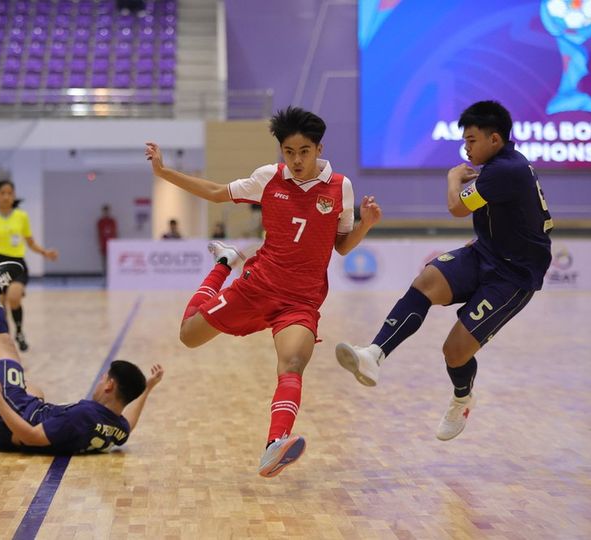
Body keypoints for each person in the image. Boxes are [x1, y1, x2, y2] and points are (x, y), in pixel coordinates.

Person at [145, 106, 382, 477]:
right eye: (289, 152)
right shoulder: (268, 179)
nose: (297, 160)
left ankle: (274, 445)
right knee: (188, 335)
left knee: (292, 364)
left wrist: (365, 225)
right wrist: (163, 172)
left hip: (302, 300)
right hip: (258, 287)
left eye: (304, 151)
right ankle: (223, 263)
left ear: (319, 149)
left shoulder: (340, 187)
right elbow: (214, 192)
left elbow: (342, 246)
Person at [335, 100, 553, 441]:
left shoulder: (505, 170)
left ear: (495, 139)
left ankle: (462, 399)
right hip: (485, 253)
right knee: (427, 280)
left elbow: (455, 207)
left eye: (471, 140)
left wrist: (452, 177)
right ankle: (373, 355)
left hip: (514, 276)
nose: (466, 148)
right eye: (465, 141)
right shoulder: (500, 167)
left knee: (454, 351)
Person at [0, 260, 164, 454]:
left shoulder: (82, 416)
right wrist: (148, 388)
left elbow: (31, 437)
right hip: (27, 412)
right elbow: (130, 423)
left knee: (2, 343)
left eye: (103, 378)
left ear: (109, 386)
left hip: (1, 420)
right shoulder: (116, 427)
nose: (99, 381)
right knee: (33, 389)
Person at [0, 180, 58, 352]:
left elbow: (31, 243)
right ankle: (4, 337)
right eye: (2, 193)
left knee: (14, 297)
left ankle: (19, 332)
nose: (6, 196)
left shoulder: (21, 216)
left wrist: (45, 253)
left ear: (13, 196)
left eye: (9, 193)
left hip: (16, 263)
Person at [97, 205, 118, 275]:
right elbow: (99, 233)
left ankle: (113, 274)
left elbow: (115, 232)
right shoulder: (100, 222)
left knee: (112, 261)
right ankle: (105, 275)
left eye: (107, 211)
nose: (106, 213)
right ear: (103, 212)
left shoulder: (112, 221)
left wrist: (116, 243)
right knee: (104, 261)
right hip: (103, 244)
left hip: (112, 244)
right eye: (105, 211)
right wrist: (100, 244)